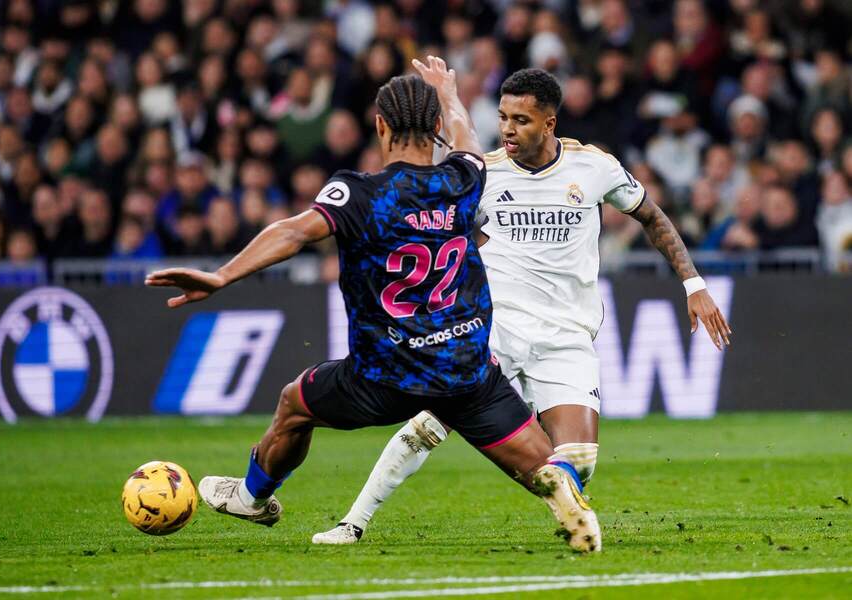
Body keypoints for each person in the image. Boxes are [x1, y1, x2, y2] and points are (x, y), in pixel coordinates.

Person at [145, 57, 602, 552]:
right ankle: (560, 491)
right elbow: (467, 136)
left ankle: (253, 495)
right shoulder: (465, 179)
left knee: (294, 404)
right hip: (465, 371)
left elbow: (294, 231)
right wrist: (447, 93)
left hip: (384, 376)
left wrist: (221, 275)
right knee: (546, 466)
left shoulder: (360, 194)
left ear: (380, 125)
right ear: (434, 128)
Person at [313, 68, 731, 545]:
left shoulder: (594, 167)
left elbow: (651, 217)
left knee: (578, 465)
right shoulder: (483, 173)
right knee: (427, 426)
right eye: (503, 118)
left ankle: (542, 453)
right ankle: (353, 523)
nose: (508, 129)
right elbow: (440, 228)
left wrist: (692, 284)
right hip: (496, 330)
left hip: (567, 335)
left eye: (522, 120)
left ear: (549, 123)